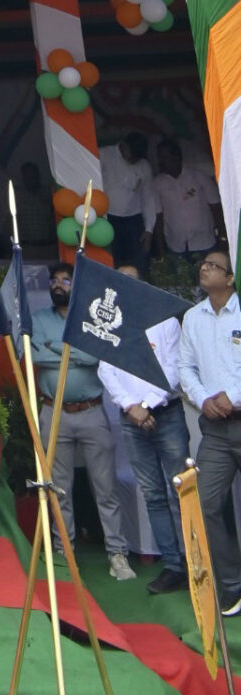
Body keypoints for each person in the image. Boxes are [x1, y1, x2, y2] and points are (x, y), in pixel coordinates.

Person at [31, 262, 135, 580]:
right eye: (54, 280)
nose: (58, 285)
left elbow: (95, 357)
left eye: (65, 280)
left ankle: (117, 554)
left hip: (91, 412)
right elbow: (35, 355)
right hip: (53, 412)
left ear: (76, 286)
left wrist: (57, 349)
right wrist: (75, 351)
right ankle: (64, 552)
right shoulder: (39, 319)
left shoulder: (93, 319)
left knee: (105, 489)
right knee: (58, 489)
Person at [97, 265, 189, 594]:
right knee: (153, 495)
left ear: (142, 286)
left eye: (130, 281)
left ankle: (195, 563)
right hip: (132, 418)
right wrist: (131, 407)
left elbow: (174, 369)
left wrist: (146, 405)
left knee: (182, 491)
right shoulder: (109, 323)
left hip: (166, 414)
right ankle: (173, 567)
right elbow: (105, 369)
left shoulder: (164, 321)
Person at [178, 250, 241, 615]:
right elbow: (184, 367)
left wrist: (232, 396)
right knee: (205, 503)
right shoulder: (193, 317)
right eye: (203, 263)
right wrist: (203, 399)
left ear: (230, 278)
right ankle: (232, 586)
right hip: (215, 430)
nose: (204, 268)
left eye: (214, 265)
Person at [152, 139, 225, 261]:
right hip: (176, 246)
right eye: (159, 157)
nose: (161, 161)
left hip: (204, 243)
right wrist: (161, 250)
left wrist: (223, 237)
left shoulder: (199, 177)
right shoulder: (157, 184)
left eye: (164, 157)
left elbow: (216, 207)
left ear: (176, 157)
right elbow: (158, 217)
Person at [99, 132, 157, 273]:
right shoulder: (103, 155)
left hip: (134, 220)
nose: (133, 161)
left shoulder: (144, 166)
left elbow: (148, 197)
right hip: (107, 218)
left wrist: (149, 229)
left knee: (139, 262)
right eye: (132, 157)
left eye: (137, 158)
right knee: (110, 262)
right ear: (123, 146)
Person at [13, 162, 57, 260]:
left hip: (49, 246)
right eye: (27, 176)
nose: (31, 179)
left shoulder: (49, 193)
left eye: (33, 175)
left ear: (38, 176)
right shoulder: (18, 196)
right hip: (28, 247)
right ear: (23, 178)